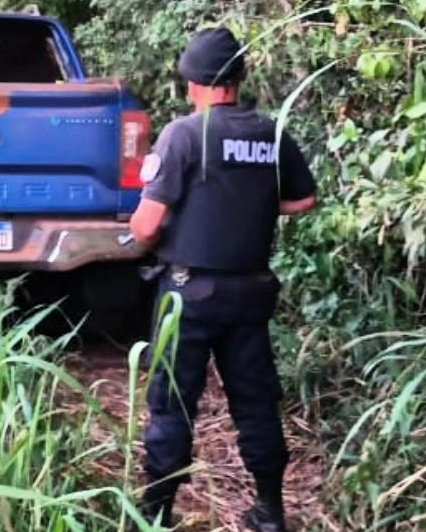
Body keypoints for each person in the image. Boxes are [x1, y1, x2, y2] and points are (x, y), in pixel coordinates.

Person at [129, 28, 318, 531]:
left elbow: (146, 225)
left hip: (189, 292)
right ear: (238, 78)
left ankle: (155, 516)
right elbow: (304, 200)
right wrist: (248, 207)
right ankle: (271, 511)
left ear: (193, 82)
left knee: (171, 405)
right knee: (256, 402)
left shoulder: (185, 134)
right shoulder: (269, 132)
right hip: (251, 292)